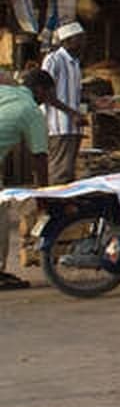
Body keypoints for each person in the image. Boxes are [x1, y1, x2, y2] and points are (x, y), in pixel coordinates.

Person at [0, 69, 48, 285]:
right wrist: (44, 196)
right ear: (39, 90)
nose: (47, 100)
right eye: (48, 94)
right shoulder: (32, 111)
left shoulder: (6, 92)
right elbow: (39, 159)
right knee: (1, 217)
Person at [39, 24, 85, 184]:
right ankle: (54, 205)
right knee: (59, 171)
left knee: (68, 172)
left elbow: (73, 92)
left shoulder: (75, 63)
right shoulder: (53, 60)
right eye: (79, 38)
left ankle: (65, 204)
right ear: (68, 40)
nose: (83, 42)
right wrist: (72, 113)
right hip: (59, 125)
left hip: (73, 125)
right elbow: (44, 93)